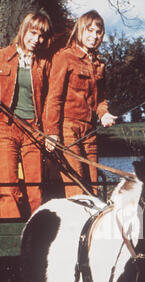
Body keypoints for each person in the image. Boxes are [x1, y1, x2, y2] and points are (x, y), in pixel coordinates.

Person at [44, 10, 116, 197]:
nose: (94, 36)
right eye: (89, 30)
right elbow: (54, 97)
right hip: (68, 130)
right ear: (79, 31)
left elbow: (100, 99)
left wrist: (104, 114)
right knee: (76, 188)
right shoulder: (64, 57)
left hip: (90, 132)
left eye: (98, 32)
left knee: (92, 188)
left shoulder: (99, 63)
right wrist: (51, 133)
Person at [0, 10, 53, 219]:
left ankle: (36, 236)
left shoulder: (45, 64)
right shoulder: (3, 56)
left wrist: (48, 132)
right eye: (33, 33)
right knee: (7, 184)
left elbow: (50, 100)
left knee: (35, 187)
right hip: (6, 127)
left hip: (34, 130)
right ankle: (9, 236)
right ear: (24, 30)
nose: (36, 40)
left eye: (41, 36)